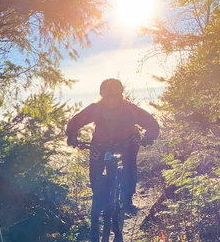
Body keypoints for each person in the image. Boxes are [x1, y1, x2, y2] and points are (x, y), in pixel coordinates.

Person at [66, 78, 159, 212]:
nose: (111, 100)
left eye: (114, 96)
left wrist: (149, 136)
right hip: (100, 144)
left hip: (127, 143)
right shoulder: (96, 109)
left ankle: (127, 200)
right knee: (95, 170)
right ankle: (99, 198)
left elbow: (150, 122)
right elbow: (77, 120)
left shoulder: (129, 109)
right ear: (103, 96)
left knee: (129, 166)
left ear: (120, 95)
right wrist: (72, 135)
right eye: (108, 96)